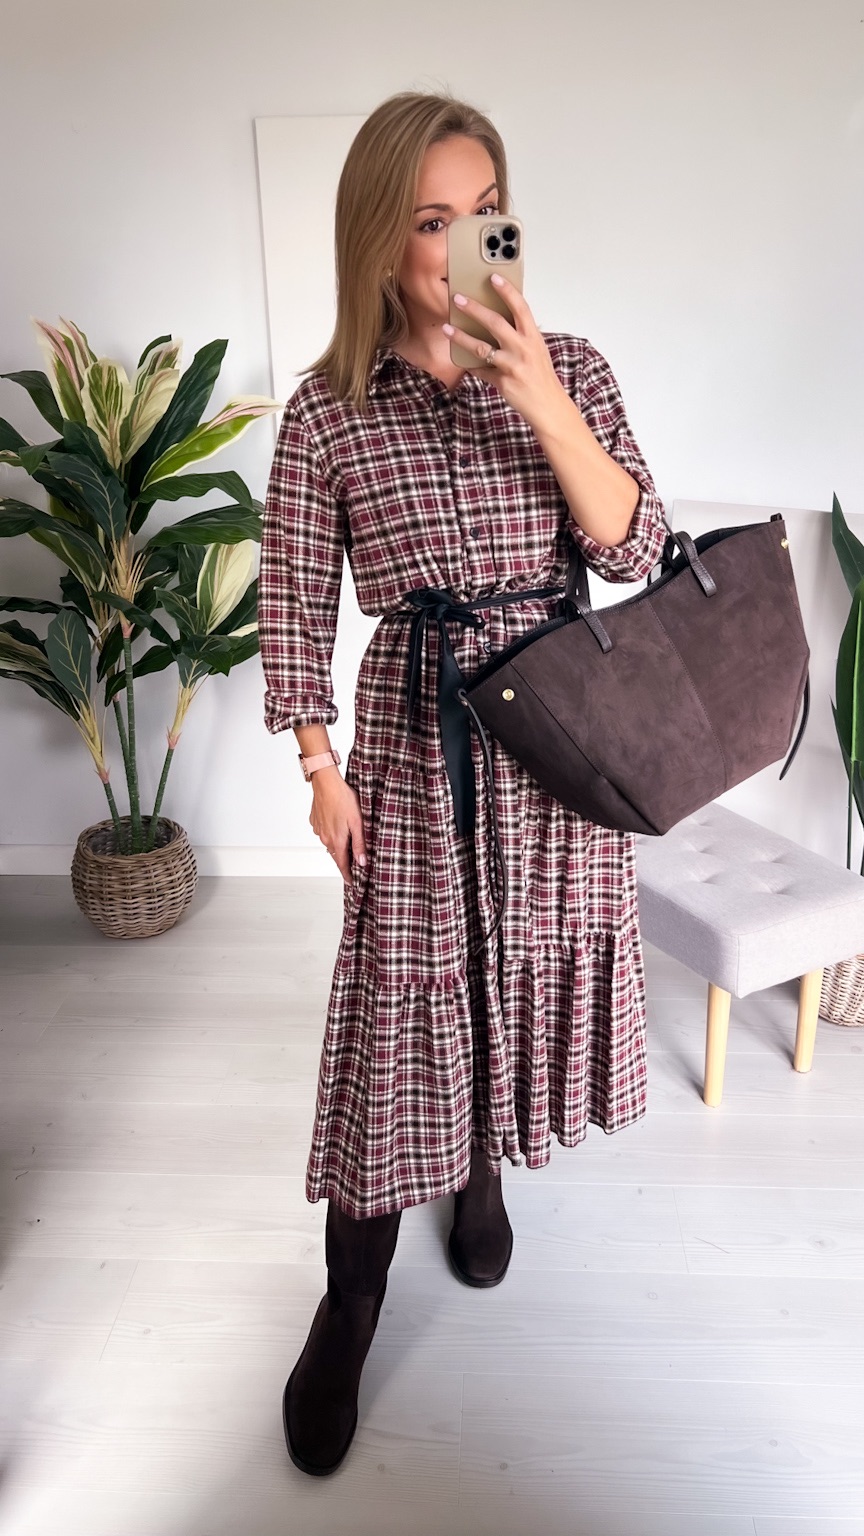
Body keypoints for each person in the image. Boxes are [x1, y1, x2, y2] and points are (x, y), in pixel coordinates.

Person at [258, 90, 667, 1477]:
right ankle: (352, 1300)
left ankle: (482, 1167)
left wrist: (536, 389)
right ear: (381, 240)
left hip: (554, 725)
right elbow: (294, 601)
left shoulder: (575, 367)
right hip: (413, 727)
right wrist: (319, 767)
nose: (462, 243)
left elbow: (633, 548)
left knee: (515, 963)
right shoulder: (327, 410)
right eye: (431, 220)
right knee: (401, 1001)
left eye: (484, 211)